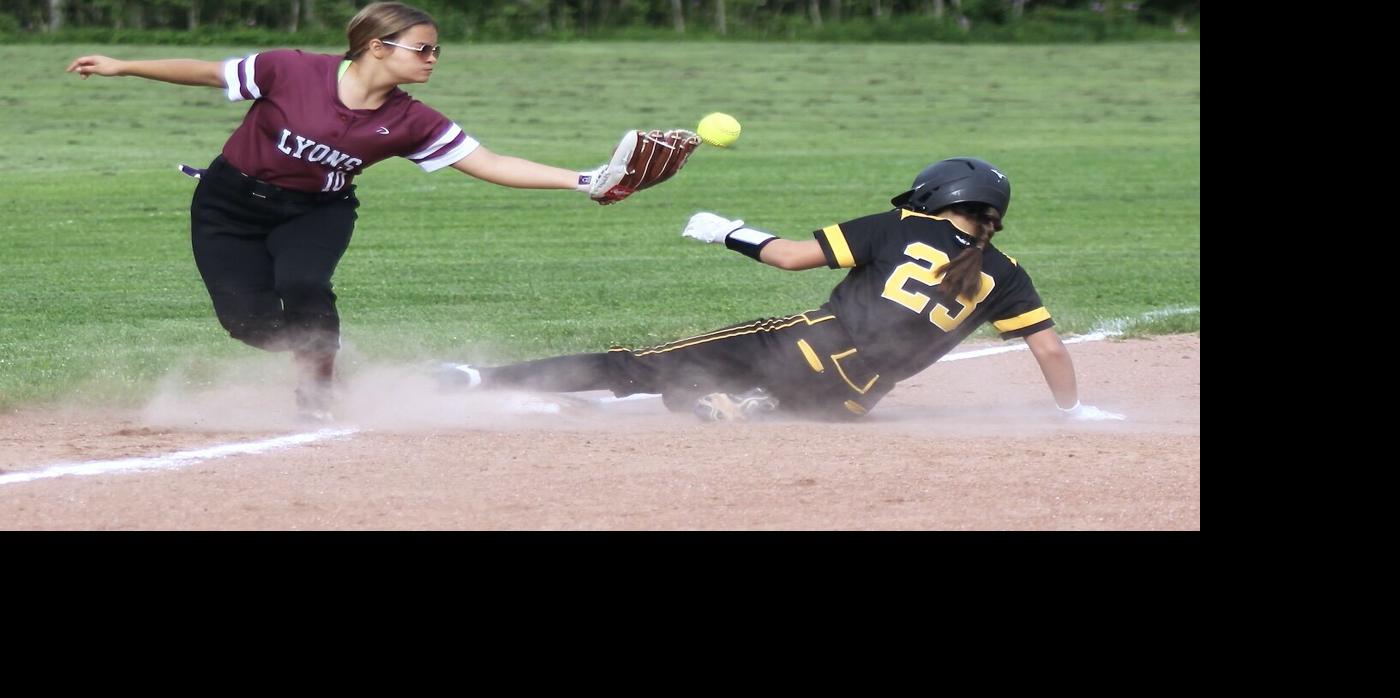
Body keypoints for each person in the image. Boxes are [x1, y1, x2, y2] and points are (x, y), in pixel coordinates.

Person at [65, 2, 650, 422]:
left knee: (303, 283)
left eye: (435, 49)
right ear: (377, 46)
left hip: (316, 211)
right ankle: (319, 355)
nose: (432, 58)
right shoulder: (290, 69)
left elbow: (489, 163)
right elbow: (208, 73)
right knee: (245, 323)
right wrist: (123, 64)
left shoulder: (414, 118)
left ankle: (317, 386)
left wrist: (585, 181)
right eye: (421, 48)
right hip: (226, 204)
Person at [439, 157, 1124, 423]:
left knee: (636, 362)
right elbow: (1052, 352)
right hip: (854, 401)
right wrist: (1071, 409)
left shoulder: (904, 224)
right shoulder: (1006, 273)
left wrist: (726, 231)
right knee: (758, 393)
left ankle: (476, 378)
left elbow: (793, 257)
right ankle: (737, 400)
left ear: (937, 194)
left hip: (807, 345)